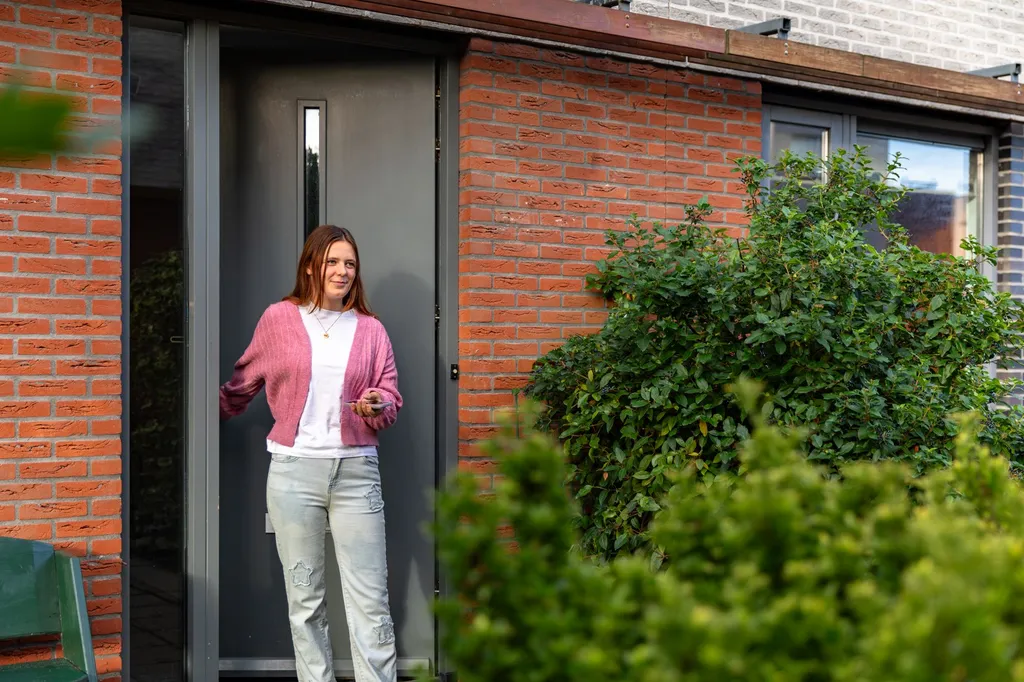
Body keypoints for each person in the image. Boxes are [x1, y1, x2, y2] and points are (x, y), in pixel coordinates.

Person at [220, 224, 401, 682]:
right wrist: (200, 415)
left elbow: (391, 398)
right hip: (294, 472)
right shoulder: (278, 320)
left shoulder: (371, 329)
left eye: (350, 263)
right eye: (333, 261)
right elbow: (242, 384)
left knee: (371, 602)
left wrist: (376, 403)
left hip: (357, 472)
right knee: (305, 600)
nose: (342, 271)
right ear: (310, 266)